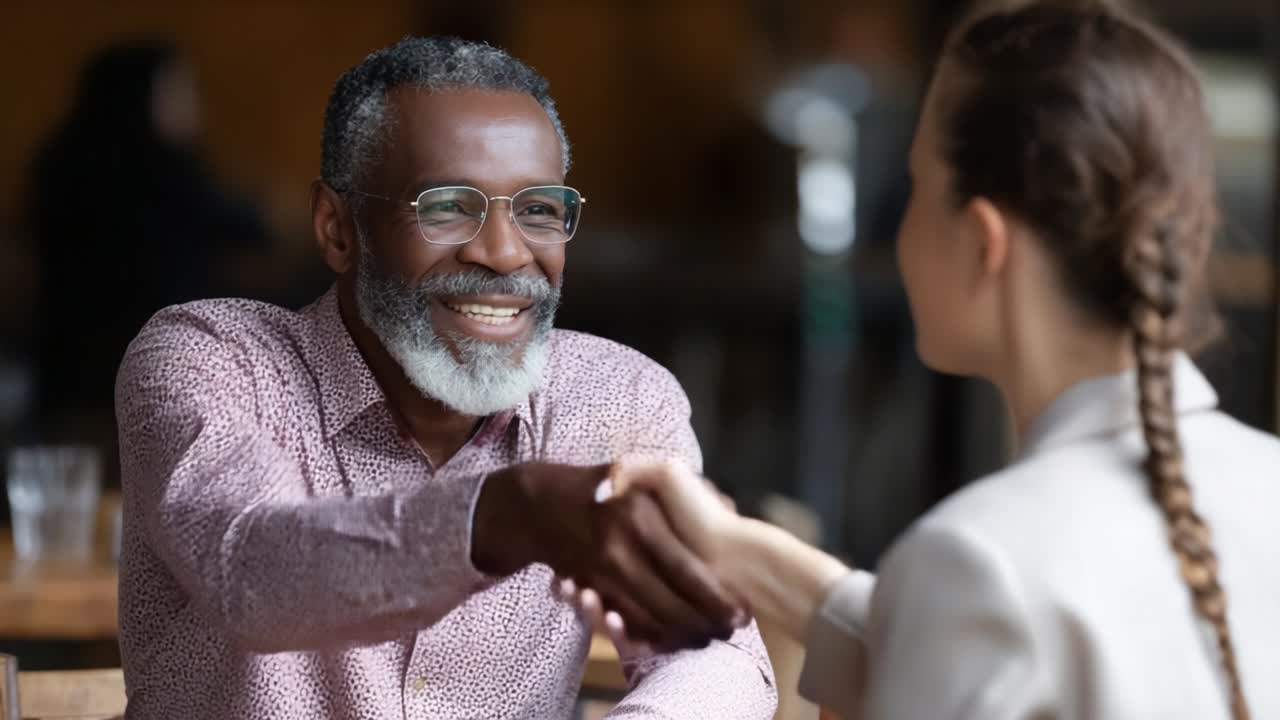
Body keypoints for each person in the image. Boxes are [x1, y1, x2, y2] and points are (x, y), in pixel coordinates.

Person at [575, 3, 1280, 718]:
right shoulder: (1265, 482)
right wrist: (736, 549)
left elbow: (971, 610)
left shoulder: (977, 559)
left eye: (916, 188)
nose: (905, 231)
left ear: (983, 243)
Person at [114, 37, 776, 719]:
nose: (504, 252)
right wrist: (508, 514)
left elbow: (718, 655)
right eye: (447, 206)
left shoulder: (616, 400)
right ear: (338, 229)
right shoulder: (209, 361)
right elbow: (251, 569)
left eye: (540, 209)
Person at [28, 40, 269, 480]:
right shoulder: (161, 174)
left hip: (70, 388)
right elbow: (246, 229)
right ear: (143, 96)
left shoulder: (60, 162)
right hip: (142, 387)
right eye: (179, 91)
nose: (192, 107)